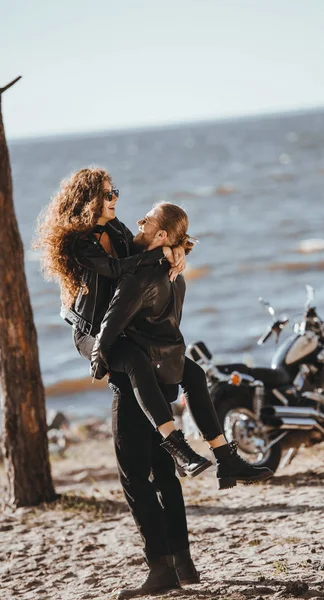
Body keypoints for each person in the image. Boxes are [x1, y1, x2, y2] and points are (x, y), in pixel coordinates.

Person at [34, 168, 199, 597]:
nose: (115, 200)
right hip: (93, 336)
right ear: (88, 198)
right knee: (149, 467)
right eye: (108, 194)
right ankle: (174, 563)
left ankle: (174, 567)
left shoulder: (119, 228)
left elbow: (152, 244)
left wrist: (179, 250)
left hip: (128, 342)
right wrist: (162, 256)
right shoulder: (80, 240)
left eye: (115, 192)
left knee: (145, 472)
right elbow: (116, 268)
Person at [89, 201, 273, 490]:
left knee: (194, 376)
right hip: (169, 350)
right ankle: (224, 457)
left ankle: (196, 453)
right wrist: (173, 251)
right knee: (196, 375)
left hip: (150, 354)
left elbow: (111, 322)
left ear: (161, 235)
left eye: (146, 221)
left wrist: (98, 356)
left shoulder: (141, 277)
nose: (139, 222)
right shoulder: (174, 272)